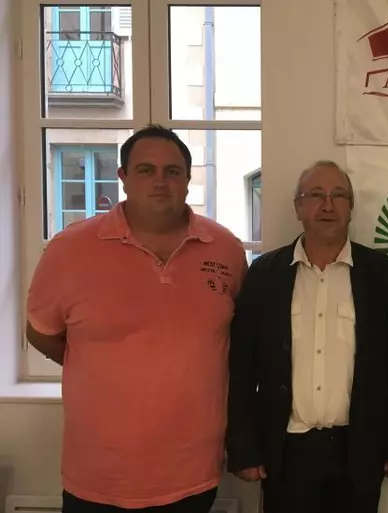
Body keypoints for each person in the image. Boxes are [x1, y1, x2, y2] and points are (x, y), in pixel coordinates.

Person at [26, 125, 247, 513]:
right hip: (99, 477)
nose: (160, 181)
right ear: (123, 177)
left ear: (188, 179)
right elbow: (41, 333)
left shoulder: (226, 249)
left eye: (172, 171)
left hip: (192, 472)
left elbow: (236, 339)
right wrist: (99, 365)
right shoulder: (70, 249)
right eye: (146, 170)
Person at [226, 160, 388, 513]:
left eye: (339, 196)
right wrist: (244, 448)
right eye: (316, 195)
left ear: (351, 208)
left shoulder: (381, 275)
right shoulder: (265, 275)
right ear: (298, 207)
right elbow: (241, 367)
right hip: (286, 450)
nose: (328, 205)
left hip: (359, 448)